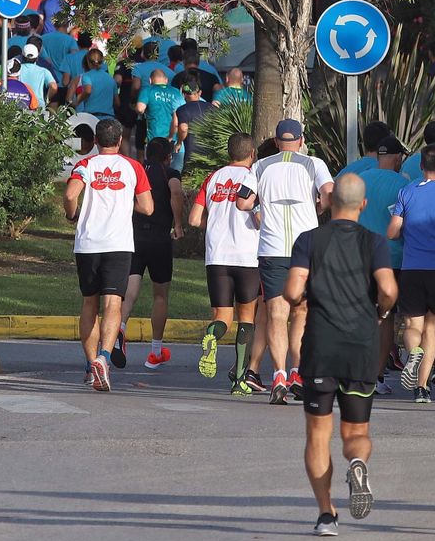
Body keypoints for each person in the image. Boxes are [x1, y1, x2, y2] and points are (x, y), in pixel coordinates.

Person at [284, 173, 397, 537]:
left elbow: (291, 289)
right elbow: (388, 289)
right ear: (364, 205)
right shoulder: (374, 242)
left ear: (330, 202)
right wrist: (379, 312)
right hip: (361, 346)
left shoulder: (309, 240)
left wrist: (301, 299)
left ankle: (326, 515)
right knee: (356, 432)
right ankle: (358, 461)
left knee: (318, 434)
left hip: (321, 345)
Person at [237, 118, 335, 405]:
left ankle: (278, 374)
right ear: (302, 140)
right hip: (306, 248)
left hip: (272, 248)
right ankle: (296, 371)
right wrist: (318, 208)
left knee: (277, 314)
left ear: (278, 142)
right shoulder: (313, 164)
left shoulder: (261, 166)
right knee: (302, 312)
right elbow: (329, 193)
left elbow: (242, 202)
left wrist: (262, 205)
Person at [66, 118, 154, 392]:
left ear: (94, 142)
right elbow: (148, 207)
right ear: (119, 142)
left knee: (89, 304)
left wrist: (72, 214)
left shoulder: (85, 165)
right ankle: (104, 357)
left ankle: (91, 364)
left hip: (88, 245)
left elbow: (70, 194)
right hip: (118, 244)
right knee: (113, 304)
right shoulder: (133, 167)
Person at [387, 142, 435, 402]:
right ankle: (422, 388)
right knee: (431, 326)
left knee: (412, 325)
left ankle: (412, 355)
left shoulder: (406, 192)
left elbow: (392, 231)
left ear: (421, 166)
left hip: (412, 267)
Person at [189, 132, 266, 395]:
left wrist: (213, 226)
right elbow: (257, 219)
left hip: (217, 257)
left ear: (228, 153)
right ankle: (239, 381)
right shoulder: (254, 177)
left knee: (222, 316)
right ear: (252, 153)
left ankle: (212, 335)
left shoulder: (213, 178)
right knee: (247, 320)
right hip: (247, 256)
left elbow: (193, 218)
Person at [116, 138, 185, 371]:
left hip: (134, 236)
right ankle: (155, 352)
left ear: (146, 153)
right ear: (167, 156)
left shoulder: (135, 169)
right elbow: (175, 192)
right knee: (160, 295)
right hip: (159, 240)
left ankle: (121, 328)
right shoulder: (170, 172)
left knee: (130, 289)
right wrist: (178, 224)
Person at [356, 137, 411, 394]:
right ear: (398, 157)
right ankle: (376, 376)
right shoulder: (404, 184)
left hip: (359, 255)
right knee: (385, 317)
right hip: (392, 258)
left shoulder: (362, 179)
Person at [135, 68, 184, 150]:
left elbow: (140, 109)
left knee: (155, 160)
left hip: (155, 136)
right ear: (166, 80)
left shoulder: (148, 90)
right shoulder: (176, 91)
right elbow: (183, 110)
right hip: (174, 137)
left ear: (150, 80)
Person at [173, 81, 212, 171]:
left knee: (189, 179)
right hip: (210, 153)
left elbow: (183, 128)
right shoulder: (212, 107)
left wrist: (179, 143)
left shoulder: (182, 109)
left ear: (184, 95)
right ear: (199, 93)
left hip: (192, 153)